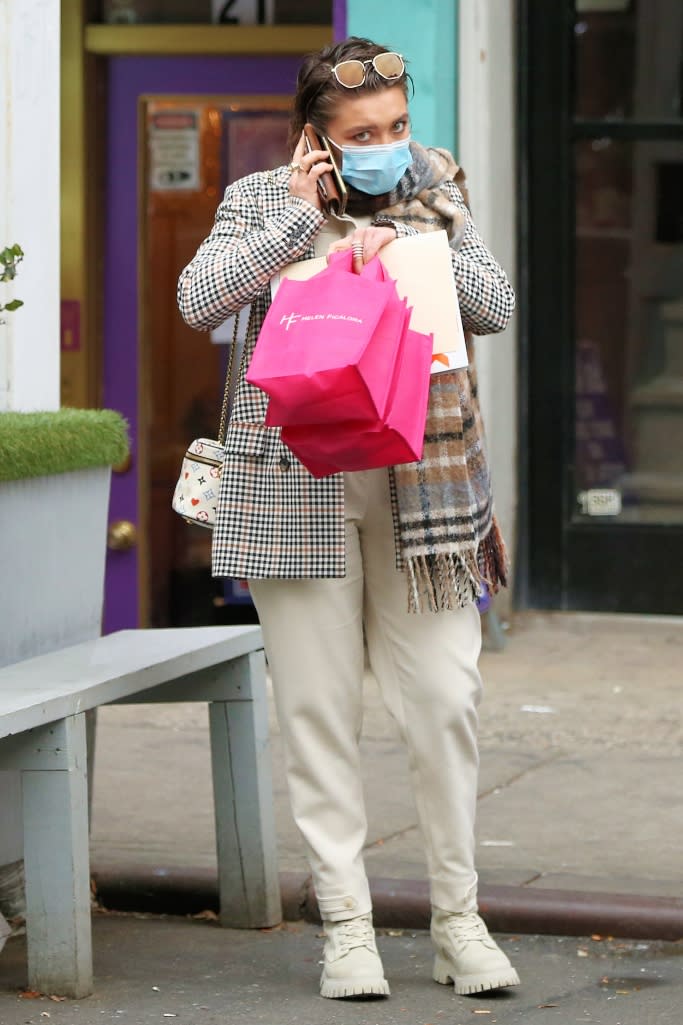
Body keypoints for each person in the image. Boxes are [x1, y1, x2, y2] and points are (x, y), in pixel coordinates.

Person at [178, 37, 519, 1001]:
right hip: (297, 486)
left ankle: (458, 921)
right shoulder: (259, 201)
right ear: (314, 140)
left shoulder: (433, 185)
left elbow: (492, 305)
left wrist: (422, 239)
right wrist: (300, 223)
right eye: (363, 133)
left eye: (398, 126)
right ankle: (348, 928)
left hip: (425, 488)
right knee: (319, 714)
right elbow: (197, 297)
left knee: (446, 700)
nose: (388, 145)